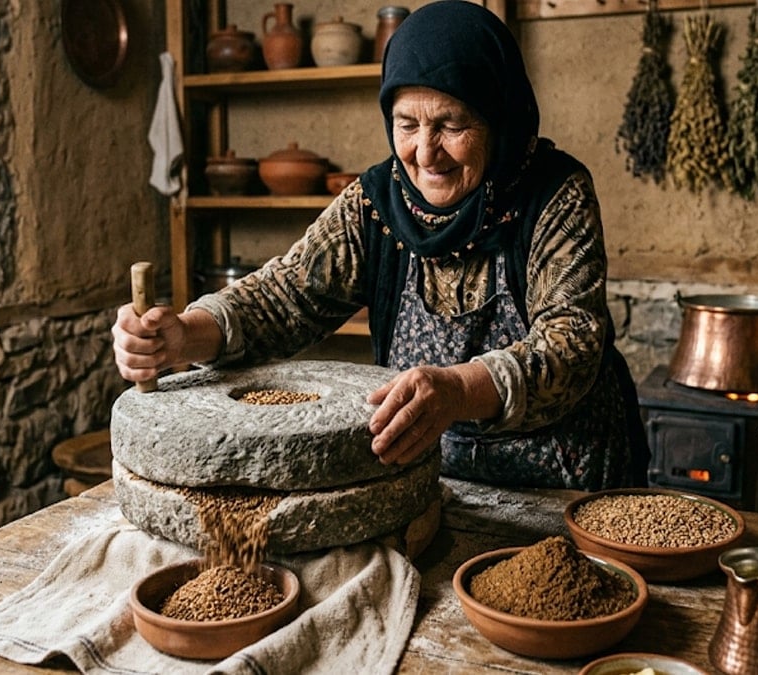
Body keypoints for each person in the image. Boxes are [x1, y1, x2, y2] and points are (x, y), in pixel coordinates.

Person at [113, 0, 649, 490]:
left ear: (497, 118)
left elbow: (569, 348)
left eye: (451, 125)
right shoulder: (377, 203)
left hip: (561, 483)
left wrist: (458, 391)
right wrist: (183, 335)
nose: (425, 152)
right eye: (406, 124)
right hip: (435, 480)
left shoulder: (554, 194)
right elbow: (282, 297)